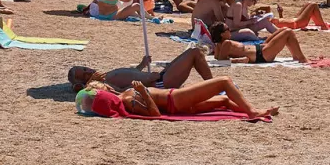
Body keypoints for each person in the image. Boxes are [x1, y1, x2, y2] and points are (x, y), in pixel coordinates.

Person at [83, 78, 276, 120]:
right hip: (175, 99)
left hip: (179, 104)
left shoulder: (124, 94)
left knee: (223, 101)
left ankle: (258, 112)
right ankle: (251, 111)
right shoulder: (126, 100)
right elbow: (155, 114)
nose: (106, 85)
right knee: (224, 82)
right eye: (102, 86)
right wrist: (143, 91)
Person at [67, 46, 214, 93]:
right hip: (160, 83)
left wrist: (141, 65)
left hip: (158, 78)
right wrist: (147, 82)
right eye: (84, 74)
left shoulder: (105, 76)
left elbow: (131, 76)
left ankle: (213, 85)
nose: (88, 71)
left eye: (85, 68)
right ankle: (214, 86)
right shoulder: (103, 83)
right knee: (194, 52)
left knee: (192, 53)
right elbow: (124, 90)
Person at [207, 21, 307, 63]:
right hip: (261, 55)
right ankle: (302, 58)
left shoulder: (220, 45)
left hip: (260, 49)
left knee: (284, 29)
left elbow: (217, 57)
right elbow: (221, 61)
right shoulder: (226, 43)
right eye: (227, 29)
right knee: (288, 32)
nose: (230, 30)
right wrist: (239, 60)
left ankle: (295, 56)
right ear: (222, 34)